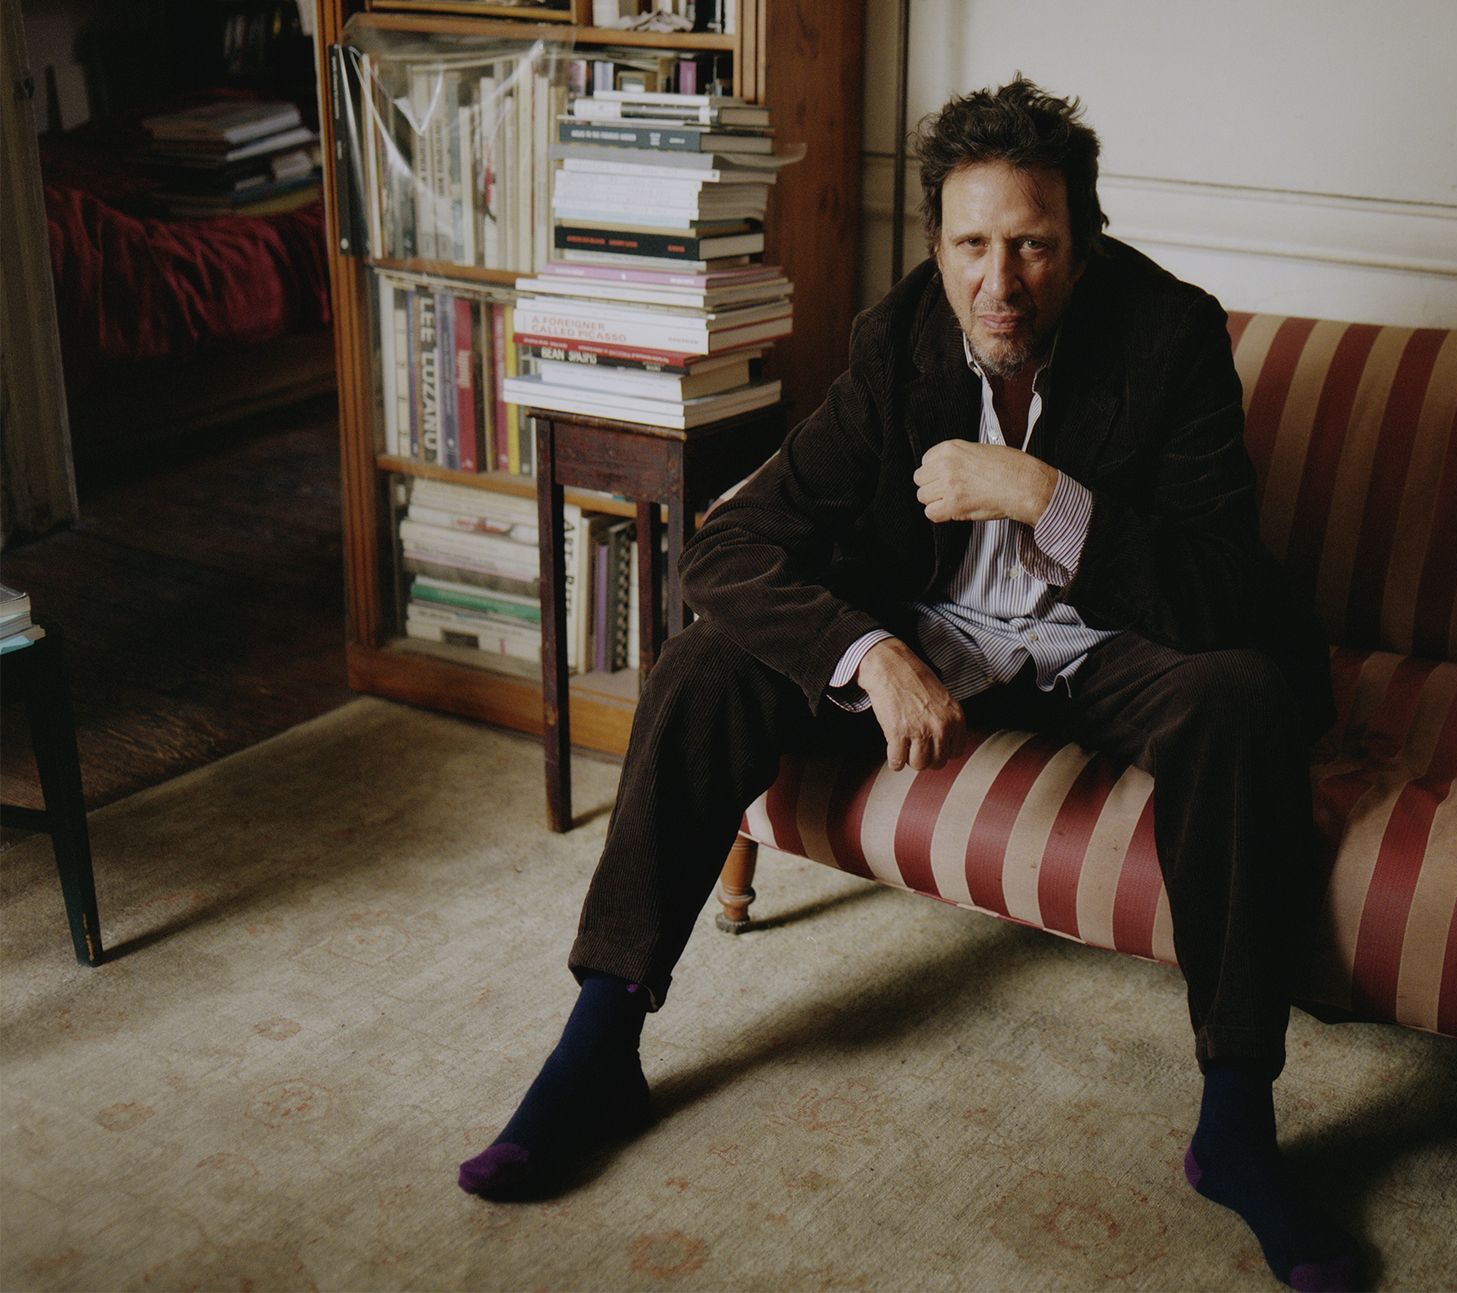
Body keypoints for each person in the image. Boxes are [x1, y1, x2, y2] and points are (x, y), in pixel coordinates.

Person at [459, 76, 1359, 1291]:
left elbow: (1224, 596)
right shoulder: (898, 343)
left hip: (1105, 643)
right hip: (938, 637)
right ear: (937, 247)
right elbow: (725, 549)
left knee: (1240, 699)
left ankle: (1236, 1127)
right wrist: (871, 656)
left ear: (1080, 248)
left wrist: (1048, 500)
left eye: (1034, 245)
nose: (1001, 281)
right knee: (706, 658)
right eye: (973, 245)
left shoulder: (1171, 337)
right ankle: (601, 1038)